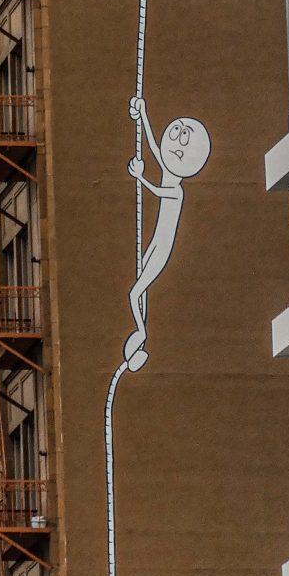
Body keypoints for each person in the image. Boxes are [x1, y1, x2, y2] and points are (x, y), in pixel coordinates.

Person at [121, 97, 211, 371]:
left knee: (135, 292)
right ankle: (138, 340)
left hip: (163, 246)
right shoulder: (167, 168)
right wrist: (143, 113)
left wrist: (139, 176)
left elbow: (159, 192)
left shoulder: (178, 190)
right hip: (156, 242)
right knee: (141, 291)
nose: (177, 143)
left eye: (184, 137)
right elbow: (153, 146)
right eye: (177, 132)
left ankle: (141, 334)